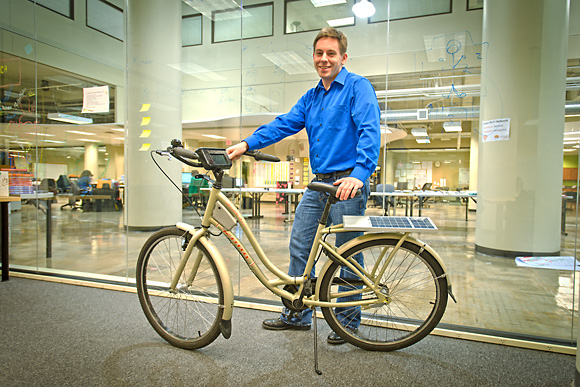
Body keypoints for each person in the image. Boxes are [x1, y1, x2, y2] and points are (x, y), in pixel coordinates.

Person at [226, 27, 380, 345]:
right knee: (300, 246)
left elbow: (369, 130)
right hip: (319, 183)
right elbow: (283, 123)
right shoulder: (311, 97)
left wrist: (360, 173)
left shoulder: (357, 87)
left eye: (331, 53)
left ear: (343, 57)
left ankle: (347, 322)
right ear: (313, 57)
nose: (324, 59)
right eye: (319, 53)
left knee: (347, 252)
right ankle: (298, 313)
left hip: (348, 182)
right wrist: (246, 143)